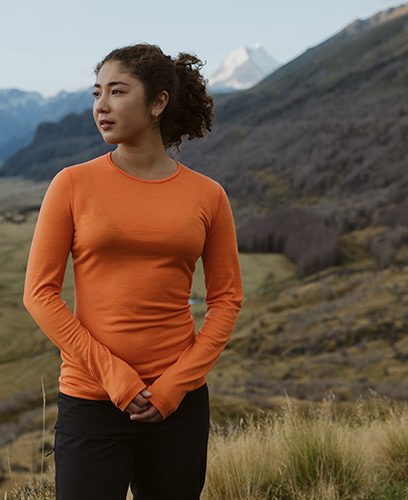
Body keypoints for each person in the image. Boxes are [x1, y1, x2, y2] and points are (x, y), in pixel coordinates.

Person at [22, 43, 243, 500]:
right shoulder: (72, 184)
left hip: (178, 405)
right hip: (92, 399)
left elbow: (226, 300)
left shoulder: (208, 196)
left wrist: (172, 389)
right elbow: (39, 294)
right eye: (96, 92)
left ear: (158, 102)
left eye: (117, 91)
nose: (101, 106)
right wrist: (116, 379)